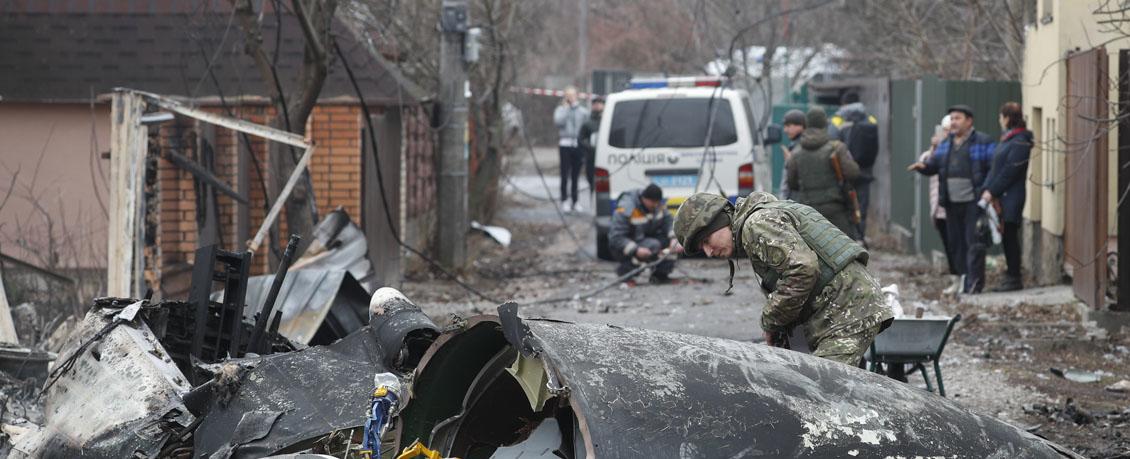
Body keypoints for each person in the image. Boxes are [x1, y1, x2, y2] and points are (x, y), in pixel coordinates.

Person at [673, 191, 893, 365]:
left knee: (827, 397)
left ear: (719, 221)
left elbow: (803, 269)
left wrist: (770, 321)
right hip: (842, 307)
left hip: (848, 309)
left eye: (706, 240)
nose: (709, 252)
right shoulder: (762, 218)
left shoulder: (756, 224)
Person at [909, 105, 996, 294]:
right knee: (956, 244)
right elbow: (934, 165)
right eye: (952, 118)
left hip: (973, 202)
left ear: (969, 121)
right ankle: (962, 282)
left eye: (958, 118)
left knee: (974, 243)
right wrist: (922, 167)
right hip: (950, 202)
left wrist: (988, 192)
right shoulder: (946, 143)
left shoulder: (982, 141)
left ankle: (974, 285)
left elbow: (993, 169)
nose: (954, 122)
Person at [786, 107, 862, 240]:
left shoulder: (796, 153)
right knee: (844, 249)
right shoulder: (837, 148)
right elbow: (853, 173)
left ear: (807, 125)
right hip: (835, 209)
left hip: (807, 210)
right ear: (825, 125)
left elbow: (792, 183)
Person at [982, 102, 1032, 292]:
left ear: (1008, 118)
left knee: (1010, 236)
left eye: (1001, 116)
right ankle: (1010, 275)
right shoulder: (1009, 139)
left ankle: (1014, 277)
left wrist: (992, 191)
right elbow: (996, 168)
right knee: (1006, 237)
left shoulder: (1020, 141)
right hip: (1002, 195)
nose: (999, 120)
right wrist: (987, 188)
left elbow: (1010, 171)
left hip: (1011, 196)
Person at [608, 184, 682, 284]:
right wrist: (635, 249)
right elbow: (616, 237)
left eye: (657, 202)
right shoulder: (626, 208)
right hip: (627, 244)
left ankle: (660, 276)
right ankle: (625, 274)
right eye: (652, 202)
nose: (655, 205)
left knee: (670, 245)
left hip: (647, 240)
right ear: (644, 198)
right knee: (652, 246)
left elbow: (668, 221)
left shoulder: (658, 205)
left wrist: (674, 238)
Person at [921, 115, 963, 292]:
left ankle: (963, 278)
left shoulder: (956, 149)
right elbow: (924, 163)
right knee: (948, 244)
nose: (947, 134)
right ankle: (955, 278)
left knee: (959, 244)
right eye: (944, 130)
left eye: (949, 130)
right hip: (939, 207)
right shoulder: (938, 151)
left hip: (955, 204)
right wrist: (933, 147)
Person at [832, 92, 881, 239]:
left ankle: (846, 238)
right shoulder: (870, 119)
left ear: (844, 104)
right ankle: (860, 237)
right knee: (861, 207)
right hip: (865, 171)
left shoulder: (837, 120)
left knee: (844, 206)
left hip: (844, 173)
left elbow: (832, 143)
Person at [553, 86, 589, 213]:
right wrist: (567, 109)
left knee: (575, 175)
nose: (571, 98)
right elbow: (558, 122)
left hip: (577, 145)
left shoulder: (582, 111)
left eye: (572, 95)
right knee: (564, 174)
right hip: (565, 144)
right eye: (568, 95)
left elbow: (586, 126)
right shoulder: (561, 110)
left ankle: (575, 200)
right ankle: (564, 200)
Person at [578, 96, 604, 195]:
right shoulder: (587, 123)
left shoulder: (608, 121)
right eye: (595, 104)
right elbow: (581, 139)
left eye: (600, 103)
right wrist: (591, 148)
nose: (598, 106)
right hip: (591, 157)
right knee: (592, 182)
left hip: (605, 156)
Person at [778, 109, 806, 199]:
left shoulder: (803, 146)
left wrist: (791, 161)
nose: (785, 130)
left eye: (788, 126)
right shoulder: (794, 145)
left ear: (800, 126)